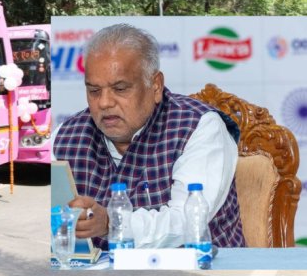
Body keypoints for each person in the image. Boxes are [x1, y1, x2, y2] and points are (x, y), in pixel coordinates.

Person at [53, 23, 244, 249]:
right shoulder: (64, 136)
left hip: (197, 268)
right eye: (94, 91)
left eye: (120, 89)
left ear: (155, 86)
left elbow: (187, 221)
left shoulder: (198, 126)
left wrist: (112, 223)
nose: (104, 103)